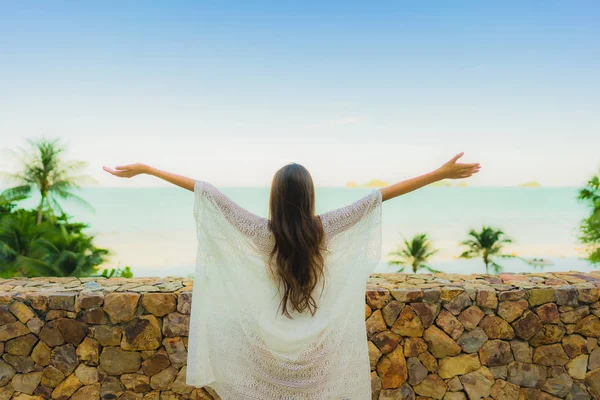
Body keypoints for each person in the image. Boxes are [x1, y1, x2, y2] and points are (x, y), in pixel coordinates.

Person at [103, 152, 480, 400]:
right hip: (317, 349)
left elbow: (210, 194)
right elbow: (379, 198)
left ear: (275, 196)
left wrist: (149, 169)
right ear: (308, 196)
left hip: (266, 346)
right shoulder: (324, 228)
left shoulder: (259, 231)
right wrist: (438, 174)